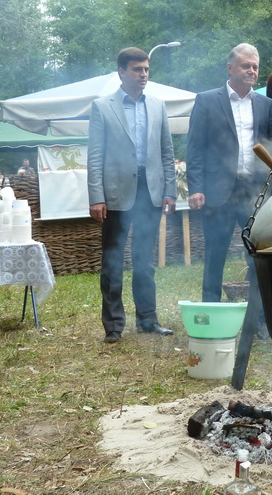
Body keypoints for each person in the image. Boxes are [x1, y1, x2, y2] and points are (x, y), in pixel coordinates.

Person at [87, 47, 177, 344]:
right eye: (137, 69)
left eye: (146, 69)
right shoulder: (103, 106)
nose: (143, 75)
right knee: (113, 261)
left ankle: (148, 320)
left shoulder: (158, 105)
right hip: (115, 193)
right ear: (122, 72)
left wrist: (170, 190)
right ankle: (113, 325)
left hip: (150, 192)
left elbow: (167, 152)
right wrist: (96, 196)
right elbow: (95, 155)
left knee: (145, 261)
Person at [186, 43, 272, 303]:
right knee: (215, 255)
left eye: (255, 67)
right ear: (230, 68)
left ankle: (259, 314)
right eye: (245, 65)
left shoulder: (265, 104)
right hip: (218, 191)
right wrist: (196, 188)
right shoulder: (207, 100)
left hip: (253, 193)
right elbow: (195, 148)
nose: (251, 71)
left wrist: (271, 191)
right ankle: (211, 309)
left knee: (257, 255)